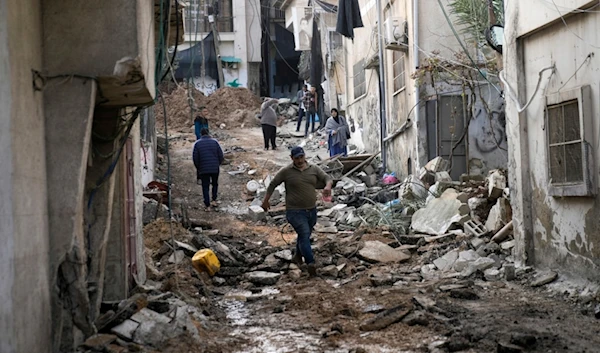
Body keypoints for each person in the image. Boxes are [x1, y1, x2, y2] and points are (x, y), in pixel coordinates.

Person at [262, 146, 332, 276]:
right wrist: (266, 200)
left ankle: (297, 257)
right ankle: (310, 263)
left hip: (311, 210)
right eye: (296, 158)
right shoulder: (286, 171)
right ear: (291, 158)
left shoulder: (314, 169)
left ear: (305, 156)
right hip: (295, 212)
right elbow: (273, 184)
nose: (299, 161)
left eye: (301, 157)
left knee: (304, 235)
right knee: (304, 233)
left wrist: (327, 187)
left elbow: (327, 178)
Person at [192, 128, 224, 210]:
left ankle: (207, 205)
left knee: (205, 186)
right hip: (214, 168)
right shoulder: (215, 142)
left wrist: (199, 168)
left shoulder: (197, 144)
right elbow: (221, 155)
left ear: (201, 134)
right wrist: (217, 164)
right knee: (215, 184)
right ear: (208, 133)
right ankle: (214, 200)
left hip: (203, 169)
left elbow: (195, 158)